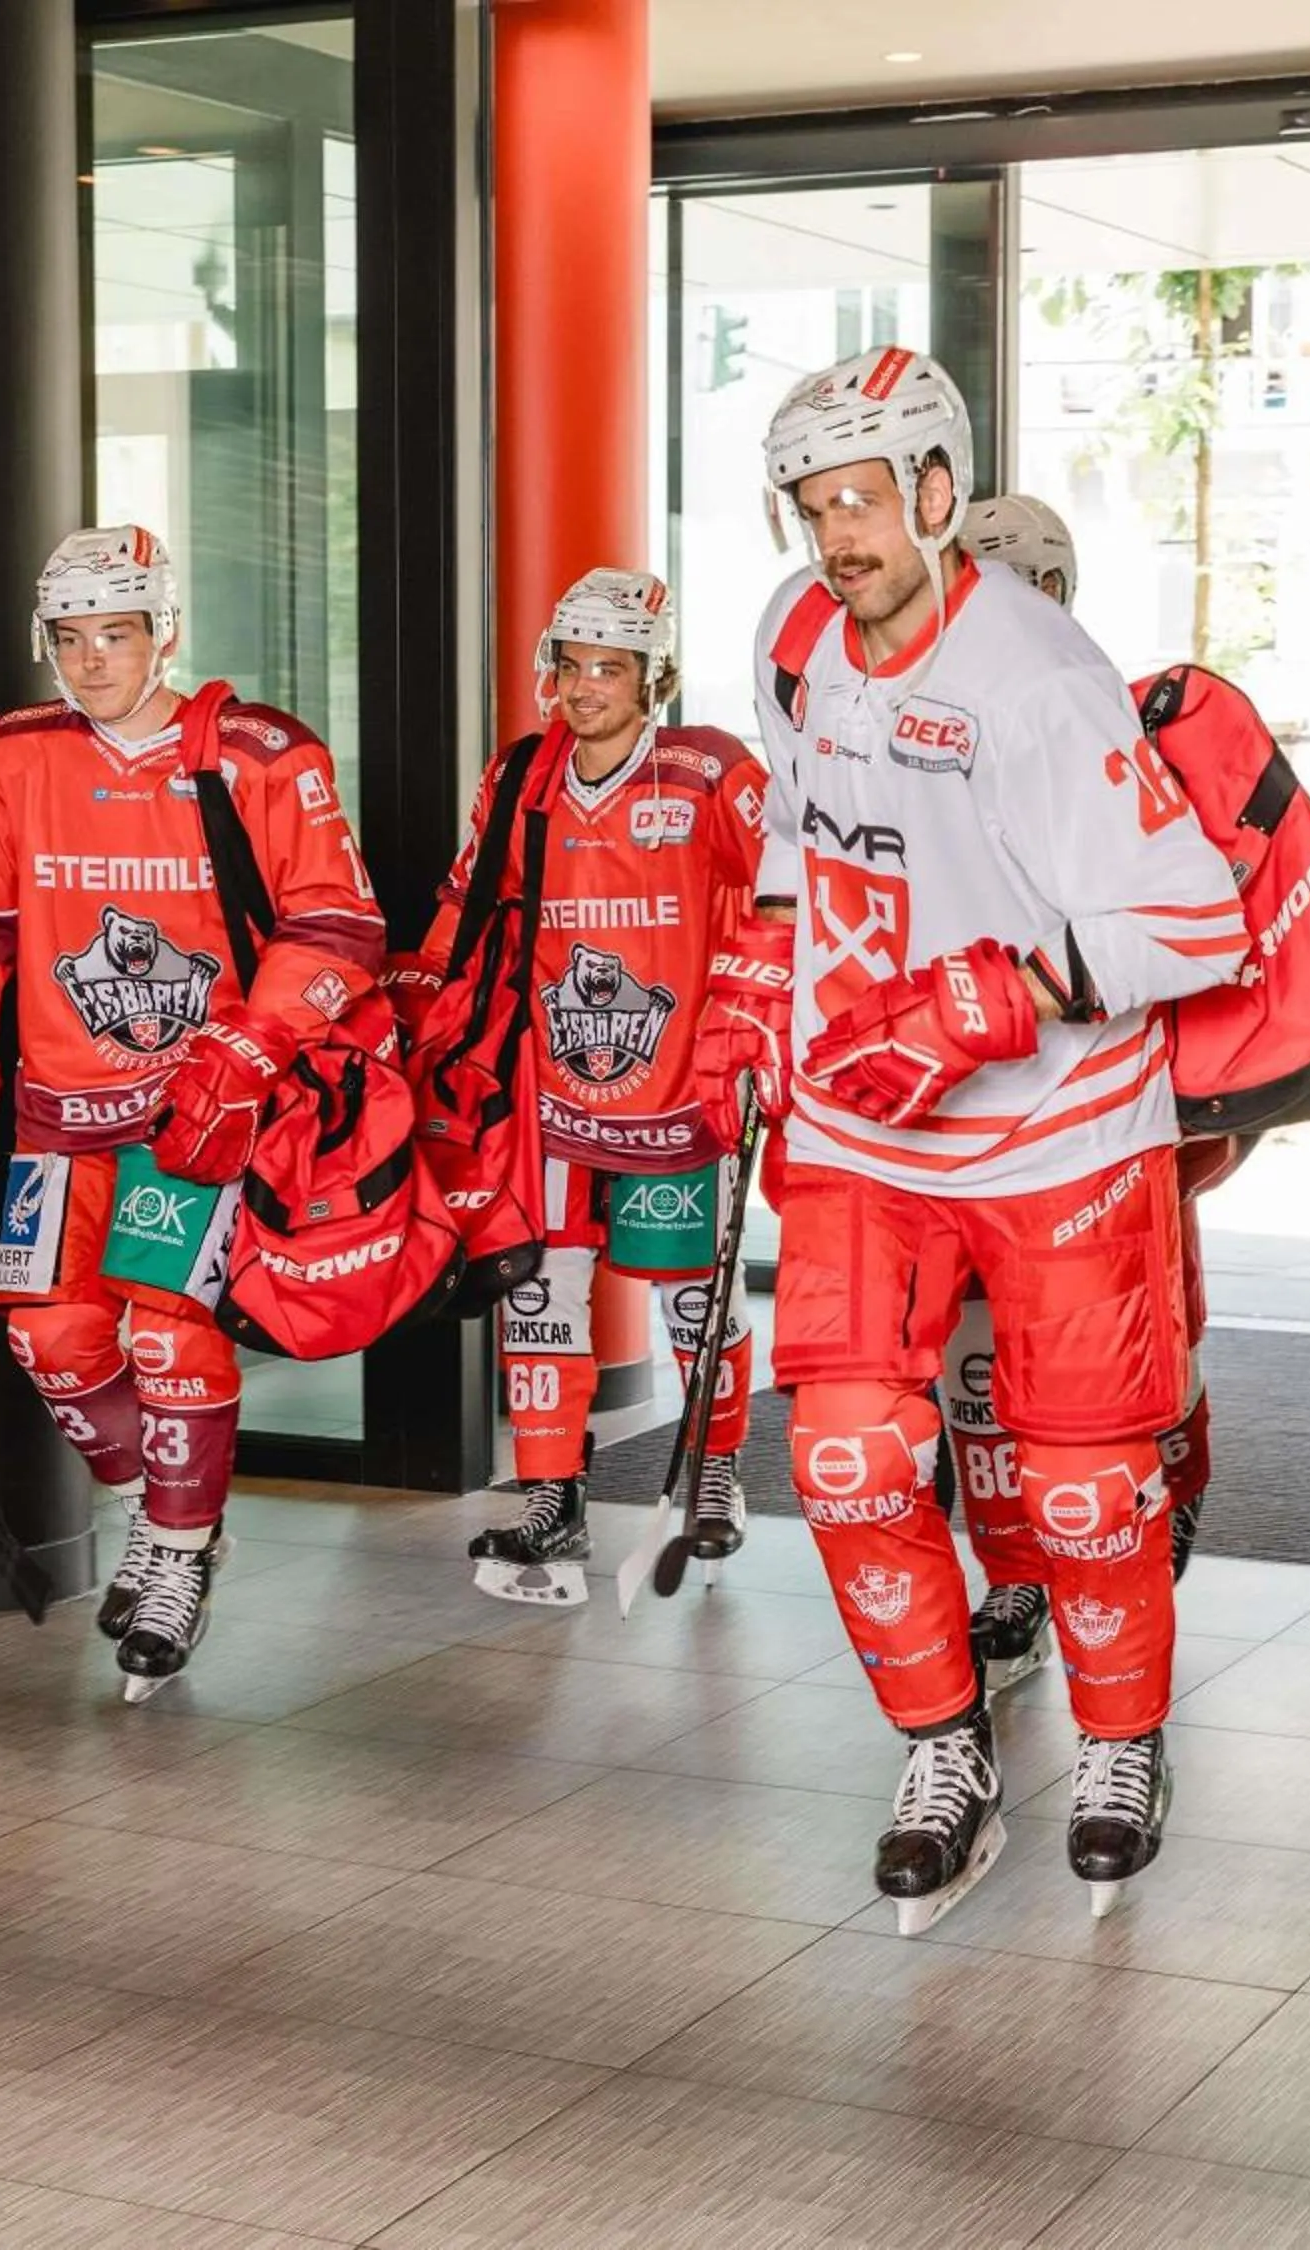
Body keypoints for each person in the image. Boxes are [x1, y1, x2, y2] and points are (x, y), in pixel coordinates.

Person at [696, 350, 1247, 1930]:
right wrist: (757, 993)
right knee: (851, 1458)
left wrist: (997, 991)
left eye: (862, 499)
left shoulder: (1039, 677)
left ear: (940, 491)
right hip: (871, 1132)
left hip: (1062, 1137)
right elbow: (811, 850)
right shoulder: (797, 638)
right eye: (811, 504)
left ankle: (1122, 1745)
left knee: (1080, 1490)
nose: (836, 534)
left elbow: (1190, 923)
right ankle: (946, 1753)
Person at [0, 525, 382, 1694]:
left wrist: (249, 1050)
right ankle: (156, 1501)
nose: (93, 659)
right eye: (70, 637)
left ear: (167, 631)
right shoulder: (13, 756)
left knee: (164, 1330)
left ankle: (177, 1549)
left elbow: (338, 927)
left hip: (194, 1116)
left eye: (117, 632)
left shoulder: (260, 753)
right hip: (62, 1109)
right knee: (52, 1342)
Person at [387, 569, 769, 1605]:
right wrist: (418, 1005)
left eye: (614, 667)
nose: (589, 685)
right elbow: (470, 900)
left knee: (695, 1301)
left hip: (682, 1095)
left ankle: (715, 1468)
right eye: (573, 663)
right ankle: (554, 1494)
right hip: (546, 1093)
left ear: (658, 676)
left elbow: (783, 896)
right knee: (543, 1296)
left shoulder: (711, 773)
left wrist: (756, 1026)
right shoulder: (520, 776)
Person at [949, 493, 1227, 1703]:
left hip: (1106, 1106)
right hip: (960, 1105)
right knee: (971, 1367)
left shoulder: (1105, 716)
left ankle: (1166, 1500)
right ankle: (1010, 1570)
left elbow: (1193, 918)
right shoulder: (912, 715)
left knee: (1138, 1350)